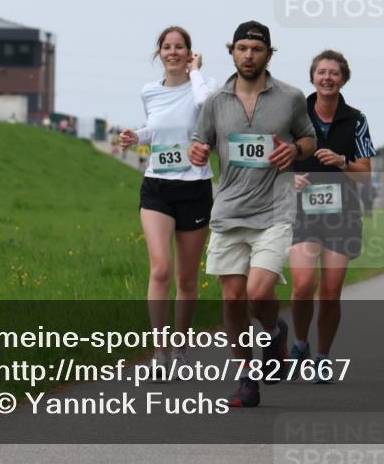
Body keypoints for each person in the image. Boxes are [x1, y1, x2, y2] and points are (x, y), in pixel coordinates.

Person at [189, 21, 316, 407]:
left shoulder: (291, 97)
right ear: (232, 51)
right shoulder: (215, 101)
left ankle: (274, 330)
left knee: (257, 291)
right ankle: (246, 379)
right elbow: (200, 139)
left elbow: (309, 139)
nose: (248, 55)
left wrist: (294, 151)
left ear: (268, 54)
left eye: (256, 49)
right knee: (230, 301)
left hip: (274, 208)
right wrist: (197, 151)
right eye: (242, 48)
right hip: (228, 209)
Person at [119, 26, 218, 373]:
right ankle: (159, 353)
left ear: (190, 52)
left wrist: (196, 73)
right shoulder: (149, 91)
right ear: (159, 53)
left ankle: (181, 346)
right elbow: (158, 128)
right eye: (167, 47)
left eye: (180, 47)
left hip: (194, 189)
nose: (173, 52)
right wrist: (137, 135)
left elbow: (207, 108)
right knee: (160, 269)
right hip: (157, 186)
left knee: (187, 279)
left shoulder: (202, 88)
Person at [289, 50, 375, 383]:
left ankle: (323, 355)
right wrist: (288, 178)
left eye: (334, 73)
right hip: (301, 210)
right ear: (312, 77)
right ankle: (299, 344)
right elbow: (276, 157)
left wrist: (342, 162)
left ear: (343, 79)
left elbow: (366, 174)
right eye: (321, 72)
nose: (327, 78)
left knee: (330, 290)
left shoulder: (356, 119)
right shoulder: (296, 115)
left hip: (342, 213)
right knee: (303, 284)